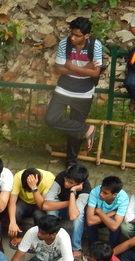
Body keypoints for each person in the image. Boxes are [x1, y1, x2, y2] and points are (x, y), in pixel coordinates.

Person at [46, 17, 101, 167]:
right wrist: (85, 69)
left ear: (86, 36)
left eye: (77, 35)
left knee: (74, 128)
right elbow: (58, 69)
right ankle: (86, 129)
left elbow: (95, 73)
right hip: (64, 88)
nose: (73, 38)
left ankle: (71, 162)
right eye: (72, 34)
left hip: (84, 92)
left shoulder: (95, 45)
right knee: (51, 118)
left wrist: (71, 67)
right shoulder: (65, 43)